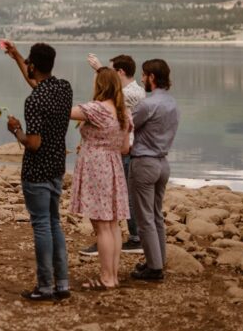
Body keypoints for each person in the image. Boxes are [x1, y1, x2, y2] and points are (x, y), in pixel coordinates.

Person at [1, 40, 73, 301]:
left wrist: (16, 130)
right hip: (57, 168)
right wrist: (17, 56)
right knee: (54, 223)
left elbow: (33, 143)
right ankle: (62, 283)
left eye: (29, 63)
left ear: (34, 65)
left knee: (42, 225)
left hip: (37, 171)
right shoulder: (63, 89)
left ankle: (44, 286)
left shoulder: (34, 101)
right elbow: (37, 84)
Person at [69, 67, 131, 289]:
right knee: (112, 224)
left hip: (97, 167)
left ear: (101, 85)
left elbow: (64, 111)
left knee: (102, 226)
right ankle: (112, 276)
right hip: (113, 166)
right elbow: (125, 148)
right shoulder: (124, 112)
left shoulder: (97, 109)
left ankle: (106, 278)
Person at [80, 53, 145, 257]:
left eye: (111, 70)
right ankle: (113, 238)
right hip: (118, 148)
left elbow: (108, 101)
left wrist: (100, 71)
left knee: (123, 198)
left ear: (120, 72)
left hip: (126, 149)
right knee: (118, 198)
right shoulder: (127, 92)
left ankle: (133, 239)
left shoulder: (133, 93)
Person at [129, 59, 180, 282]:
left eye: (143, 75)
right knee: (157, 214)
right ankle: (158, 260)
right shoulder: (173, 104)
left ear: (151, 77)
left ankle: (154, 268)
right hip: (163, 163)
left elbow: (128, 125)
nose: (141, 79)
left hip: (145, 163)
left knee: (145, 217)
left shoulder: (148, 105)